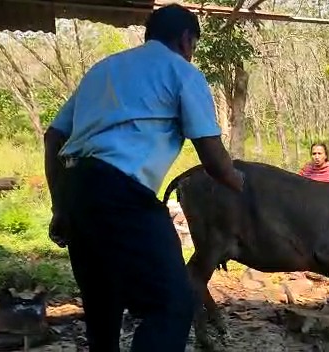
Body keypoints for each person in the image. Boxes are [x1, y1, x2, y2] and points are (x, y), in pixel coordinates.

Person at [43, 5, 244, 352]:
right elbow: (213, 157)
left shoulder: (103, 70)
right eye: (193, 45)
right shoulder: (181, 72)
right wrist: (244, 183)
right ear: (186, 40)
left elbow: (53, 137)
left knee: (102, 311)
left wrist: (60, 206)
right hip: (121, 193)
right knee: (172, 304)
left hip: (75, 190)